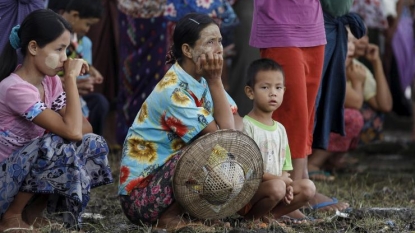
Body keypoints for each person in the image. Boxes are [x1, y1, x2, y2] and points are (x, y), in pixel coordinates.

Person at [118, 13, 242, 230]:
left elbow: (235, 121)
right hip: (142, 198)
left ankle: (195, 214)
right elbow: (222, 138)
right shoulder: (174, 90)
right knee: (206, 150)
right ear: (187, 50)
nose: (219, 49)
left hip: (166, 185)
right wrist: (215, 81)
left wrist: (214, 83)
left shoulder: (201, 79)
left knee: (218, 152)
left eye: (220, 41)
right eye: (210, 42)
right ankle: (167, 218)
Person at [0, 9, 113, 231]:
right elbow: (71, 131)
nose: (65, 58)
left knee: (92, 142)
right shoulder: (15, 89)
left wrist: (66, 83)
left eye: (67, 50)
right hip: (4, 181)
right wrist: (70, 79)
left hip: (23, 178)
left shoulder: (50, 83)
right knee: (56, 143)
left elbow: (84, 130)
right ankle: (10, 217)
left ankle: (32, 213)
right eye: (59, 50)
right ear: (33, 48)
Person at [250, 0, 348, 212]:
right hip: (279, 25)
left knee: (306, 112)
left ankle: (301, 183)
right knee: (291, 112)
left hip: (313, 25)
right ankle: (289, 191)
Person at [239, 58, 316, 225]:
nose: (273, 92)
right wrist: (281, 181)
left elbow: (285, 169)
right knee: (277, 187)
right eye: (265, 87)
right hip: (250, 193)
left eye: (278, 87)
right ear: (250, 92)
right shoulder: (247, 126)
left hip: (277, 188)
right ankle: (250, 219)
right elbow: (248, 170)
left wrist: (287, 182)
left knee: (308, 188)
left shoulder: (280, 129)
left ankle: (269, 217)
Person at [49, 0, 110, 136]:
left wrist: (90, 74)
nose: (88, 29)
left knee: (99, 102)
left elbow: (82, 73)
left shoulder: (84, 42)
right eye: (87, 24)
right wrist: (64, 82)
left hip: (72, 94)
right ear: (75, 15)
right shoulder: (49, 36)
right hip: (51, 93)